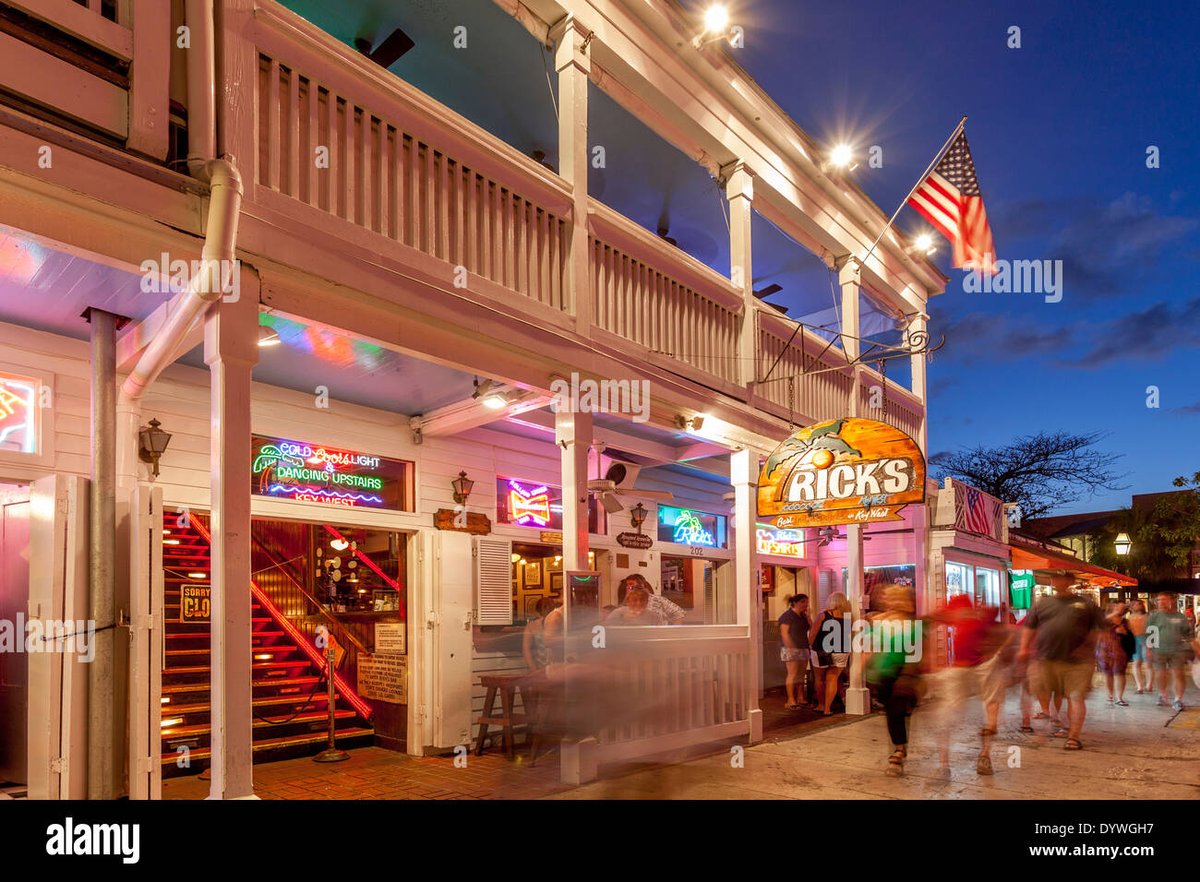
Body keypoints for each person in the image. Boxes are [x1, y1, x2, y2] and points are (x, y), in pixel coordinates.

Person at [1018, 571, 1106, 750]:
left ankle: (1073, 736)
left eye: (1062, 577)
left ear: (1070, 581)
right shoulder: (1042, 604)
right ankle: (1055, 723)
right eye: (1055, 577)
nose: (1057, 580)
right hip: (1046, 658)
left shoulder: (1085, 603)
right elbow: (1030, 627)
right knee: (1040, 692)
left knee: (1075, 696)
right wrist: (1024, 648)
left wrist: (1089, 647)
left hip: (1078, 661)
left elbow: (1099, 628)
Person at [927, 594, 1009, 776]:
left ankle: (984, 754)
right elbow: (931, 619)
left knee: (991, 705)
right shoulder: (962, 613)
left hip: (982, 665)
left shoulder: (978, 616)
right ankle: (944, 765)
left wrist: (995, 651)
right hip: (962, 666)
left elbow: (1003, 633)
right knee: (946, 715)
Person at [864, 584, 922, 777]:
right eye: (889, 598)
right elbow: (870, 644)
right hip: (885, 674)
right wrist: (864, 663)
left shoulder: (913, 625)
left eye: (895, 598)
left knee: (897, 711)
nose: (891, 602)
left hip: (905, 673)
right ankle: (900, 746)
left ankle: (898, 750)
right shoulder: (880, 621)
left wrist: (908, 675)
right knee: (893, 713)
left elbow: (917, 652)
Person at [1147, 592, 1193, 711]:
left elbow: (1189, 635)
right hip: (1158, 651)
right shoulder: (1154, 616)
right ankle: (1162, 695)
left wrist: (1196, 648)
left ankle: (1178, 699)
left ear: (1171, 601)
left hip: (1177, 651)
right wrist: (1148, 650)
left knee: (1178, 674)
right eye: (1158, 600)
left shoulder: (1180, 617)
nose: (1160, 602)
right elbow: (1149, 634)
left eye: (1163, 599)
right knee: (1160, 674)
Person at [810, 592, 852, 716]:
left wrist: (810, 646)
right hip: (841, 650)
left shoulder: (823, 615)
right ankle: (827, 709)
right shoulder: (847, 617)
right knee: (832, 678)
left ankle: (821, 704)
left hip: (822, 650)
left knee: (819, 678)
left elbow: (812, 634)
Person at [1095, 601, 1133, 706]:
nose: (1119, 610)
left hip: (1120, 652)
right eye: (1116, 607)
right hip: (1104, 651)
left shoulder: (1125, 622)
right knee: (1108, 674)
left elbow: (1130, 636)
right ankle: (1110, 696)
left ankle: (1119, 697)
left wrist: (1125, 633)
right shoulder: (1104, 620)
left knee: (1120, 674)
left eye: (1120, 608)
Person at [778, 594, 812, 709]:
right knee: (792, 674)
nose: (806, 604)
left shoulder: (802, 616)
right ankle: (791, 699)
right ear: (796, 603)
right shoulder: (787, 616)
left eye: (806, 602)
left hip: (803, 647)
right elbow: (784, 633)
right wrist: (790, 648)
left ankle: (800, 697)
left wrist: (808, 617)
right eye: (803, 602)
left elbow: (811, 627)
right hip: (791, 648)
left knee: (801, 674)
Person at [619, 573, 685, 624]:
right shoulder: (628, 601)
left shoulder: (658, 599)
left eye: (631, 584)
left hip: (657, 635)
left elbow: (679, 614)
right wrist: (627, 596)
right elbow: (620, 616)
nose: (628, 587)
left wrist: (671, 633)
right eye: (627, 585)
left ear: (642, 585)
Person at [605, 583, 671, 625]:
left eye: (642, 600)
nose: (638, 603)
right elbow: (607, 634)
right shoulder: (618, 613)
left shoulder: (655, 618)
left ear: (647, 602)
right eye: (634, 600)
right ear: (628, 602)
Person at [1127, 599, 1153, 695]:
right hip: (1135, 640)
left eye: (1138, 604)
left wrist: (1150, 644)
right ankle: (1139, 686)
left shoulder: (1147, 616)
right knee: (1137, 662)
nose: (1136, 606)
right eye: (1134, 604)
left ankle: (1149, 685)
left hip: (1146, 639)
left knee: (1148, 663)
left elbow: (1152, 630)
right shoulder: (1130, 617)